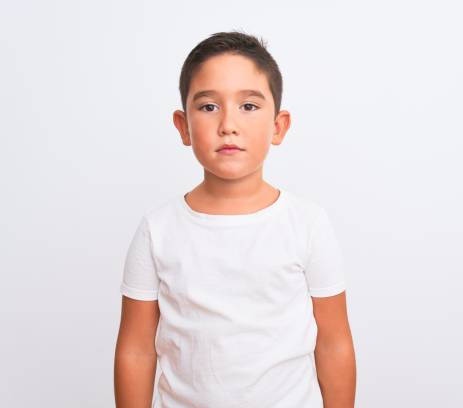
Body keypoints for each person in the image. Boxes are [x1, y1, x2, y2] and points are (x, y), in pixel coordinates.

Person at [113, 31, 356, 407]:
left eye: (248, 106)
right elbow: (136, 349)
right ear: (183, 126)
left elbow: (334, 342)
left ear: (278, 126)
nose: (228, 124)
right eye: (209, 106)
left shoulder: (307, 223)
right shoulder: (157, 230)